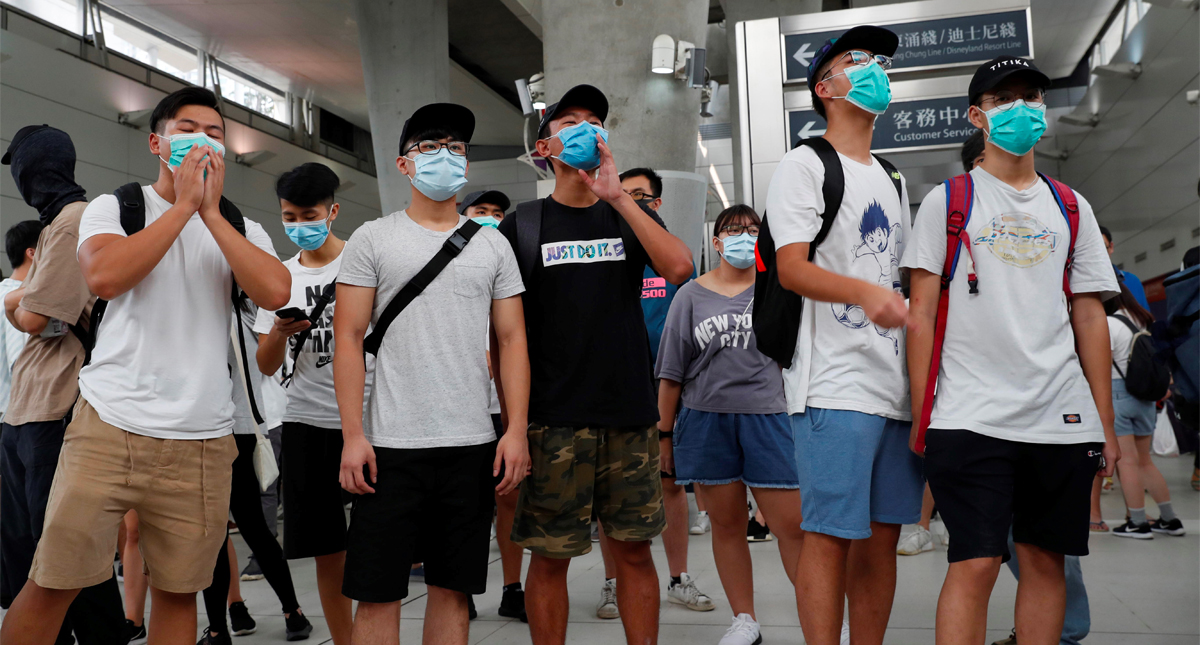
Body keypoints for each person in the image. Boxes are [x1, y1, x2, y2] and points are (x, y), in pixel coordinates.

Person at [0, 88, 291, 645]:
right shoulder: (114, 208)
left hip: (203, 440)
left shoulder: (241, 227)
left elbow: (275, 292)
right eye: (188, 130)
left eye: (214, 134)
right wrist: (182, 208)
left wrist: (209, 214)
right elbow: (106, 277)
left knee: (178, 593)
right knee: (52, 581)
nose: (203, 142)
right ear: (157, 143)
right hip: (108, 427)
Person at [903, 56, 1119, 645]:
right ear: (978, 117)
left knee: (1045, 562)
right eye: (1004, 99)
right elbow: (921, 315)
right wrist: (923, 414)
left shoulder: (1071, 205)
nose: (1021, 108)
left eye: (1032, 97)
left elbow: (1089, 314)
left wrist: (1104, 422)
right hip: (969, 415)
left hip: (1060, 416)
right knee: (974, 563)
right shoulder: (948, 201)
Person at [494, 84, 693, 645]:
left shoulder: (627, 214)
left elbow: (679, 267)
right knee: (550, 558)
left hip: (629, 415)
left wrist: (621, 198)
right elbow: (502, 337)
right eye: (569, 121)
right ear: (544, 147)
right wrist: (513, 426)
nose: (585, 128)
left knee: (633, 552)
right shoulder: (522, 225)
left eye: (595, 121)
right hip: (552, 420)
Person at [334, 102, 531, 645]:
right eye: (429, 147)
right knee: (377, 593)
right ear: (403, 164)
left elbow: (512, 341)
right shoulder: (373, 238)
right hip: (389, 446)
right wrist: (353, 435)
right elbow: (349, 337)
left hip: (470, 443)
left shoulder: (492, 243)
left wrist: (514, 429)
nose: (444, 156)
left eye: (455, 148)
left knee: (452, 590)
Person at [764, 26, 921, 645]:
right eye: (858, 60)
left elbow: (899, 277)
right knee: (829, 534)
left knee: (883, 538)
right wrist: (864, 294)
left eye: (880, 60)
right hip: (834, 381)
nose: (875, 67)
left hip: (893, 387)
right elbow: (791, 267)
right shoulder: (805, 164)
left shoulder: (892, 177)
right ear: (826, 87)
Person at [0, 125, 127, 644]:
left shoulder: (75, 220)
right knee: (25, 544)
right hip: (25, 408)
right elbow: (26, 307)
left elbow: (31, 316)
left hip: (57, 406)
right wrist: (22, 300)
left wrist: (18, 298)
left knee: (65, 549)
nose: (19, 178)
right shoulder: (54, 223)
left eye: (21, 167)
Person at [657, 203, 803, 645]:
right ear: (717, 242)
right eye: (733, 230)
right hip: (706, 422)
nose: (744, 237)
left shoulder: (780, 288)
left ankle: (826, 615)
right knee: (726, 525)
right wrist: (664, 438)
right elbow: (671, 374)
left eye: (753, 230)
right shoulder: (689, 296)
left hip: (770, 418)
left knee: (792, 527)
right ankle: (745, 620)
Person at [591, 167, 711, 619]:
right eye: (624, 194)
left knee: (669, 482)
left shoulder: (670, 257)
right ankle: (611, 583)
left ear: (657, 204)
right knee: (608, 490)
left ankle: (678, 578)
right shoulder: (606, 254)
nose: (632, 201)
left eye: (642, 195)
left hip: (666, 386)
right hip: (614, 385)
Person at [254, 161, 363, 645]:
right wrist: (279, 331)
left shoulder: (363, 261)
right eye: (289, 217)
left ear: (333, 212)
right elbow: (265, 363)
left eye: (309, 216)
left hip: (369, 420)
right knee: (326, 549)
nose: (299, 226)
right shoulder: (278, 277)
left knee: (378, 543)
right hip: (305, 422)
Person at [199, 303, 313, 645]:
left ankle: (218, 629)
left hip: (208, 431)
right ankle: (293, 612)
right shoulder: (246, 314)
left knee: (214, 534)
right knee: (254, 526)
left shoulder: (212, 314)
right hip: (243, 428)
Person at [898, 130, 983, 557]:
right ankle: (922, 523)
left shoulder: (1053, 207)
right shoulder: (949, 211)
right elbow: (922, 313)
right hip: (951, 374)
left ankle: (947, 521)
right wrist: (920, 405)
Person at [457, 188, 529, 622]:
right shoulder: (447, 263)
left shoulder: (509, 263)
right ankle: (460, 585)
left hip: (501, 408)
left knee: (509, 500)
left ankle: (512, 587)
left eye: (497, 213)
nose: (490, 218)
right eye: (480, 211)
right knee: (465, 505)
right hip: (461, 405)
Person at [1106, 283, 1185, 539]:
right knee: (1145, 461)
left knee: (1127, 462)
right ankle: (1170, 520)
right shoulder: (1143, 320)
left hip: (1119, 394)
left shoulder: (1109, 323)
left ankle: (1138, 523)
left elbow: (1101, 362)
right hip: (1146, 397)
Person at [0, 220, 42, 417]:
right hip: (12, 411)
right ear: (32, 253)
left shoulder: (3, 291)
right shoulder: (23, 298)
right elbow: (21, 361)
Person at [1099, 226, 1149, 310]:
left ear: (1111, 247)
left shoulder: (1132, 281)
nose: (1098, 254)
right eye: (1093, 250)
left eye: (1102, 248)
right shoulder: (1081, 287)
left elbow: (1143, 316)